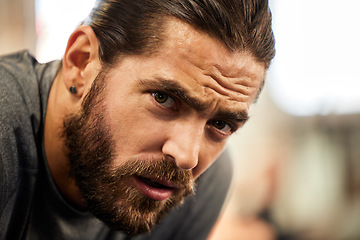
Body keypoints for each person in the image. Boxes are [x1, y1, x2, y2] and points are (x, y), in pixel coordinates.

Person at [0, 0, 275, 239]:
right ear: (81, 62)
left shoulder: (207, 182)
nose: (187, 157)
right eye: (164, 98)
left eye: (220, 125)